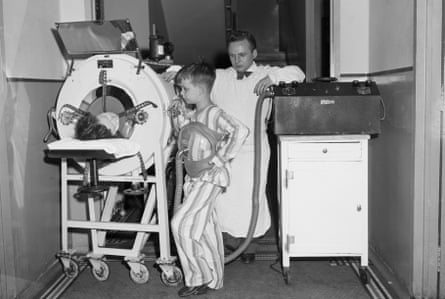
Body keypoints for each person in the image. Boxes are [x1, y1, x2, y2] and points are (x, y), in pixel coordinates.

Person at [211, 30, 306, 264]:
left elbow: (299, 74)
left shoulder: (267, 73)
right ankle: (225, 242)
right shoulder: (220, 76)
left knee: (252, 195)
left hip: (254, 148)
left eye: (242, 54)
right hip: (223, 148)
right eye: (233, 55)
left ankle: (249, 244)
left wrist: (274, 79)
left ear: (254, 53)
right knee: (222, 195)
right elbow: (195, 79)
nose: (237, 60)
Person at [169, 62, 249, 297]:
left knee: (180, 224)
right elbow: (183, 137)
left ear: (201, 90)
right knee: (204, 228)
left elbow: (240, 131)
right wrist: (178, 117)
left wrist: (220, 160)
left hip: (210, 178)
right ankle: (214, 279)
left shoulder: (213, 113)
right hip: (195, 178)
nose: (182, 94)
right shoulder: (195, 114)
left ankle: (198, 277)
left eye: (184, 89)